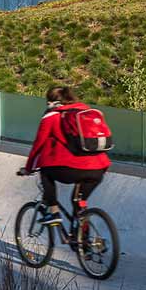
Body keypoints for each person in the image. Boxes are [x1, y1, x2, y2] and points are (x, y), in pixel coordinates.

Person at [19, 86, 109, 227]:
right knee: (79, 202)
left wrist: (29, 168)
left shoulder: (52, 116)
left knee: (45, 172)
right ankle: (84, 244)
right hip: (98, 169)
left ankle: (54, 212)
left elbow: (38, 145)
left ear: (51, 102)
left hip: (69, 169)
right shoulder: (87, 112)